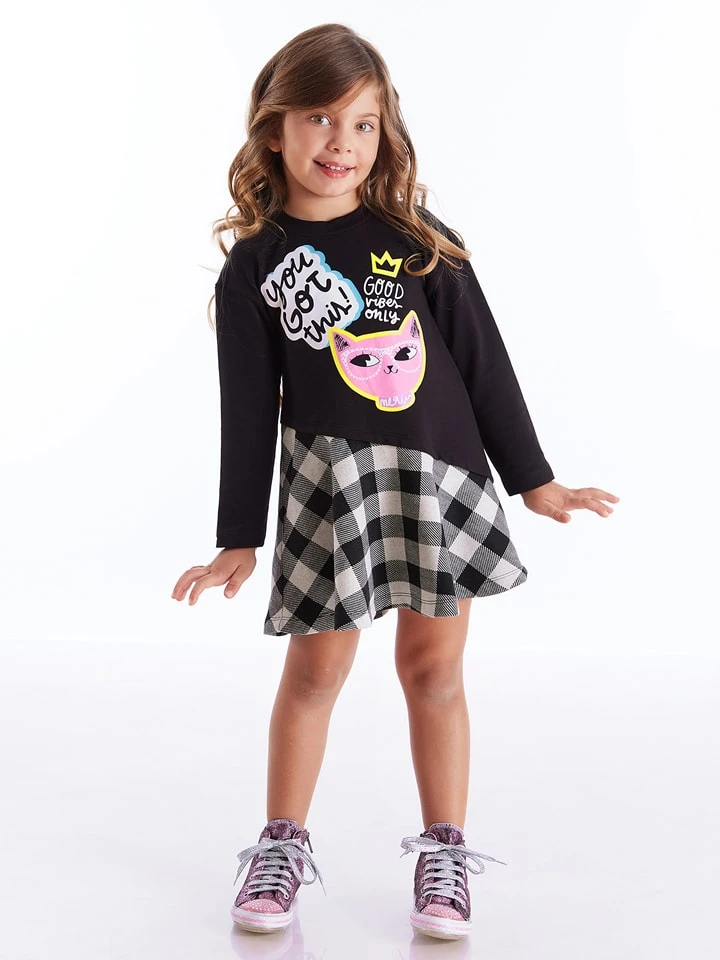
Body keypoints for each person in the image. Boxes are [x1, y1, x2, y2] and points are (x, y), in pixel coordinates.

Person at [170, 21, 619, 942]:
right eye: (320, 117)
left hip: (438, 482)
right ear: (274, 129)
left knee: (433, 670)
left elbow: (485, 366)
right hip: (328, 489)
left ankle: (445, 853)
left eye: (363, 123)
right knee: (316, 669)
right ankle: (281, 844)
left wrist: (535, 482)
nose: (341, 141)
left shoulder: (419, 242)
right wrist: (238, 537)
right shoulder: (255, 265)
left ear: (386, 133)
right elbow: (246, 409)